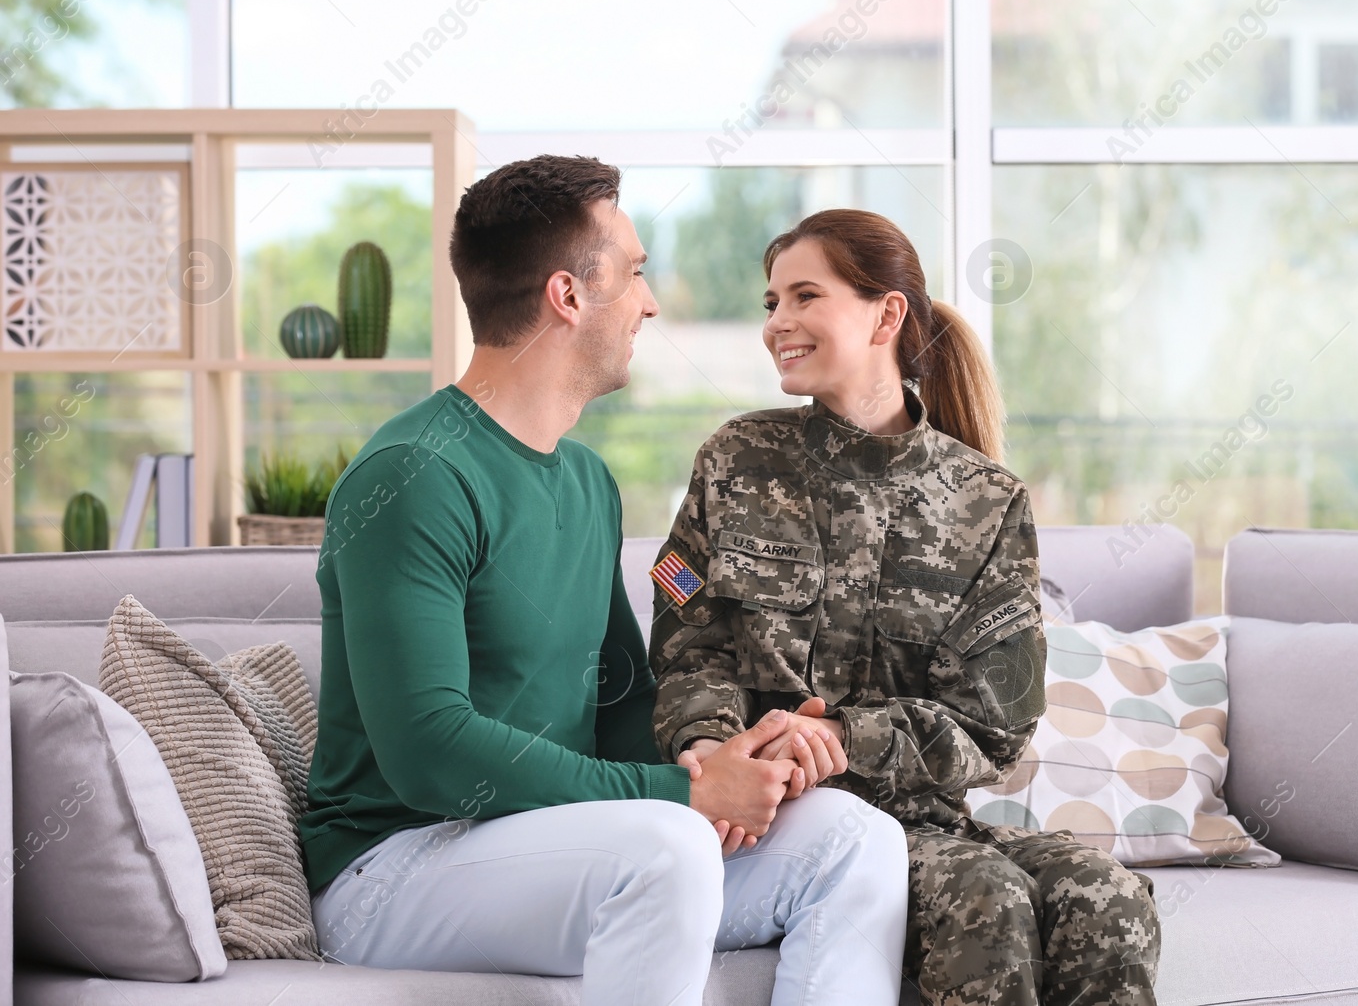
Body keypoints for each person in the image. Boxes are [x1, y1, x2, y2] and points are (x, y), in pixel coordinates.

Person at [300, 158, 909, 1006]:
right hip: (394, 868)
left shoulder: (587, 481)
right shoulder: (414, 474)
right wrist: (684, 791)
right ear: (567, 296)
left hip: (557, 844)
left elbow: (622, 697)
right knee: (668, 846)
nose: (650, 303)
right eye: (633, 274)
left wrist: (726, 758)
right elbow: (429, 751)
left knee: (857, 837)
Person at [649, 208, 1161, 1005]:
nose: (777, 323)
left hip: (926, 821)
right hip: (782, 823)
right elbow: (685, 639)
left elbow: (997, 721)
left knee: (1111, 901)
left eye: (803, 296)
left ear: (886, 312)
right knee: (984, 896)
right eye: (770, 302)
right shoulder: (734, 460)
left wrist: (843, 734)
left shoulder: (988, 503)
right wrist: (718, 749)